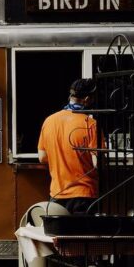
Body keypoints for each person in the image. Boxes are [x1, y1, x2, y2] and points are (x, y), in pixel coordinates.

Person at [38, 78, 99, 214]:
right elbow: (97, 163)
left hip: (57, 193)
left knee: (59, 234)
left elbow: (42, 157)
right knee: (82, 235)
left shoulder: (49, 121)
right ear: (87, 99)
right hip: (84, 194)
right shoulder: (91, 124)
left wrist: (61, 157)